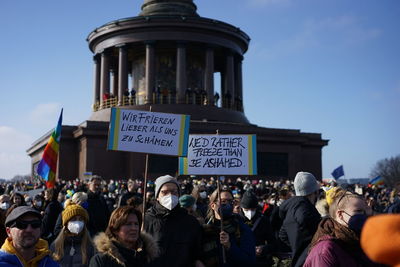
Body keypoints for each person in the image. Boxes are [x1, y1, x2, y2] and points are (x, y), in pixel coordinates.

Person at [304, 189, 380, 267]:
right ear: (340, 214)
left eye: (365, 212)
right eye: (358, 211)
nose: (364, 215)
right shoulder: (325, 251)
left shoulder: (359, 239)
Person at [144, 175, 203, 267]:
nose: (170, 195)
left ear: (179, 194)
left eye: (174, 192)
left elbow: (197, 253)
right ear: (157, 196)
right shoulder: (145, 220)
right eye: (164, 192)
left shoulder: (190, 222)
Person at [201, 188, 256, 267]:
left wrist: (229, 246)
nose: (227, 204)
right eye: (223, 201)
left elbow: (250, 261)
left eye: (230, 201)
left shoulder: (242, 228)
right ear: (213, 205)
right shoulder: (205, 230)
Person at [90, 206, 158, 267]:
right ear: (115, 230)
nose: (134, 228)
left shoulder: (148, 257)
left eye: (136, 224)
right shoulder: (102, 261)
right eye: (128, 224)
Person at [279, 172, 321, 267]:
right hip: (310, 260)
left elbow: (282, 235)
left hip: (297, 260)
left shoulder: (290, 208)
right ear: (314, 191)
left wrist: (296, 246)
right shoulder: (307, 210)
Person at [51, 202, 94, 267]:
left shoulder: (91, 246)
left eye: (80, 219)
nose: (77, 223)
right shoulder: (55, 246)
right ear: (66, 224)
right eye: (73, 219)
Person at [240, 190, 276, 267]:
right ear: (242, 208)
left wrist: (263, 248)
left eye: (252, 210)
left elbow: (274, 243)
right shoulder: (236, 220)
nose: (249, 213)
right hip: (241, 260)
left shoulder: (263, 220)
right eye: (246, 210)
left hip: (259, 261)